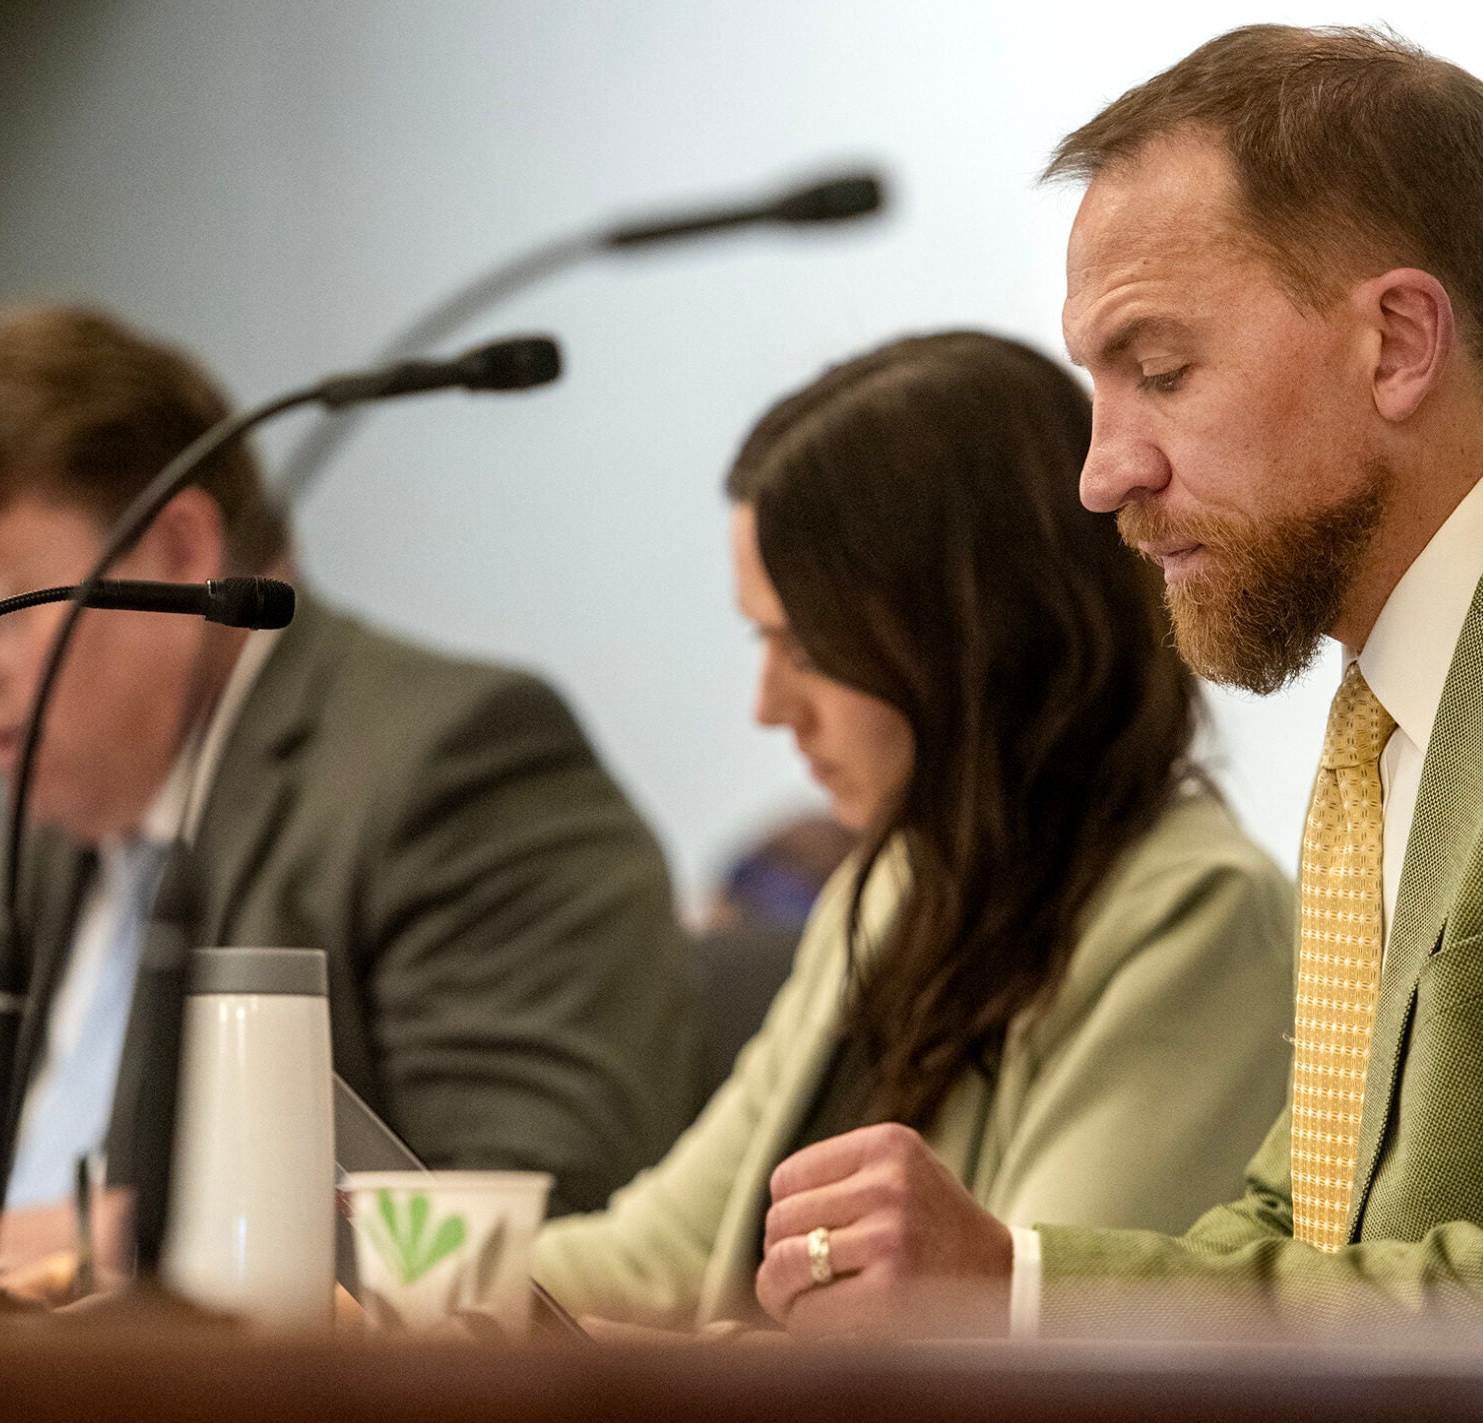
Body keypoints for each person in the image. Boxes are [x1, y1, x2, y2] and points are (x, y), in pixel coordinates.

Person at [749, 26, 1483, 1338]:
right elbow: (1299, 1221)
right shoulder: (1391, 701)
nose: (1102, 472)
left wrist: (1016, 1295)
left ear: (1399, 342)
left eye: (1160, 372)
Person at [0, 305, 703, 1271]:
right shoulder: (25, 850)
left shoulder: (456, 764)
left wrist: (110, 1241)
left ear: (179, 556)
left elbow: (525, 1198)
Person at [534, 332, 1295, 1331]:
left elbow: (1007, 1369)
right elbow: (663, 1253)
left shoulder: (1197, 916)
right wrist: (387, 1284)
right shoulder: (894, 877)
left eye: (802, 645)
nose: (769, 705)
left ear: (969, 635)